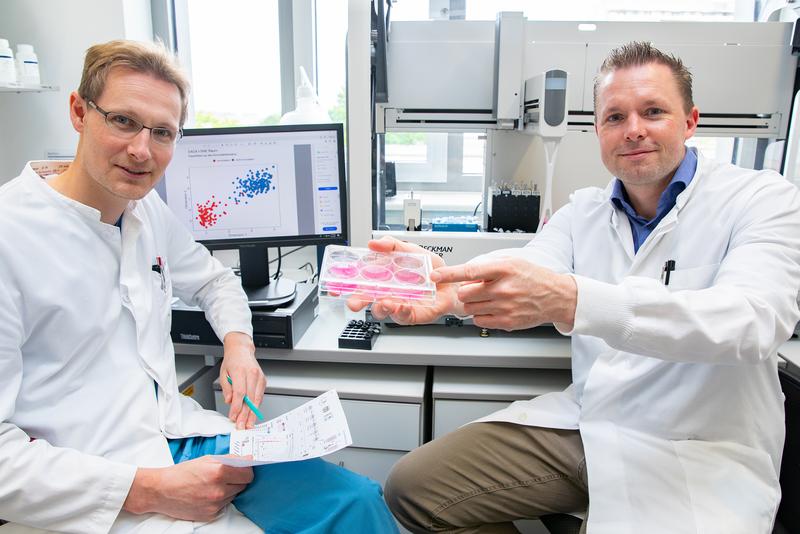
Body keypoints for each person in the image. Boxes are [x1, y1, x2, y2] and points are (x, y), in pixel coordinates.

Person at [350, 41, 800, 534]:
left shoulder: (762, 200)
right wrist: (439, 284)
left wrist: (575, 299)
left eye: (653, 112)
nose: (633, 130)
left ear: (690, 121)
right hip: (592, 424)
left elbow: (752, 320)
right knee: (416, 489)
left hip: (699, 448)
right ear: (597, 131)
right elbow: (528, 268)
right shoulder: (581, 211)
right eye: (614, 117)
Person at [0, 39, 398, 534]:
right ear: (80, 111)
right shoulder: (10, 235)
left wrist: (239, 345)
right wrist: (149, 489)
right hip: (95, 476)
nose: (142, 150)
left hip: (176, 435)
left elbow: (214, 282)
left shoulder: (143, 209)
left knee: (357, 502)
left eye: (162, 132)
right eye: (123, 120)